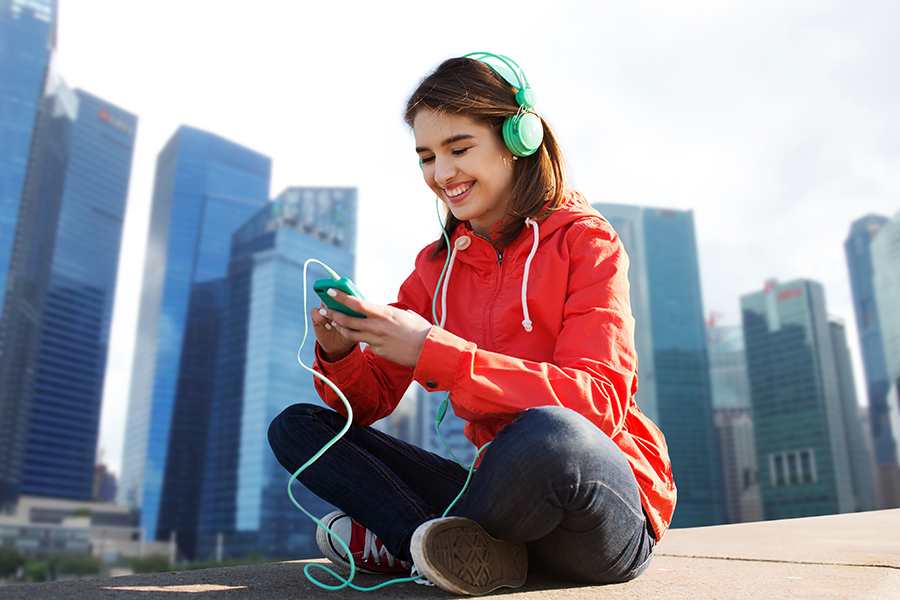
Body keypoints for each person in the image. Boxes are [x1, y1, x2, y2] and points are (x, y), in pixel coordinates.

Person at [268, 53, 676, 596]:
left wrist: (434, 351)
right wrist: (341, 351)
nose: (442, 174)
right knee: (298, 427)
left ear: (519, 138)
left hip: (596, 505)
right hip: (498, 503)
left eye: (459, 149)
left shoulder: (585, 241)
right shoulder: (434, 271)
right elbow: (364, 408)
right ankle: (431, 545)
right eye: (426, 157)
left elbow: (597, 403)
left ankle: (405, 544)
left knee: (551, 434)